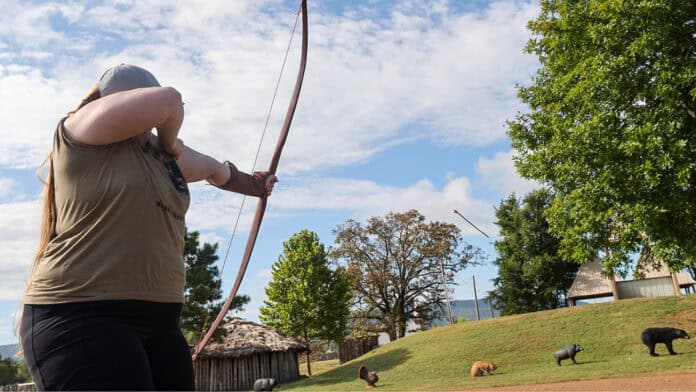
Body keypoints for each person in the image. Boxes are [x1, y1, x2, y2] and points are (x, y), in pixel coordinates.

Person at [20, 64, 277, 391]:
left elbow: (216, 170)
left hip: (160, 321)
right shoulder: (78, 130)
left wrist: (255, 186)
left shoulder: (157, 153)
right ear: (110, 103)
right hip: (82, 315)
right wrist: (170, 142)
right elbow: (169, 100)